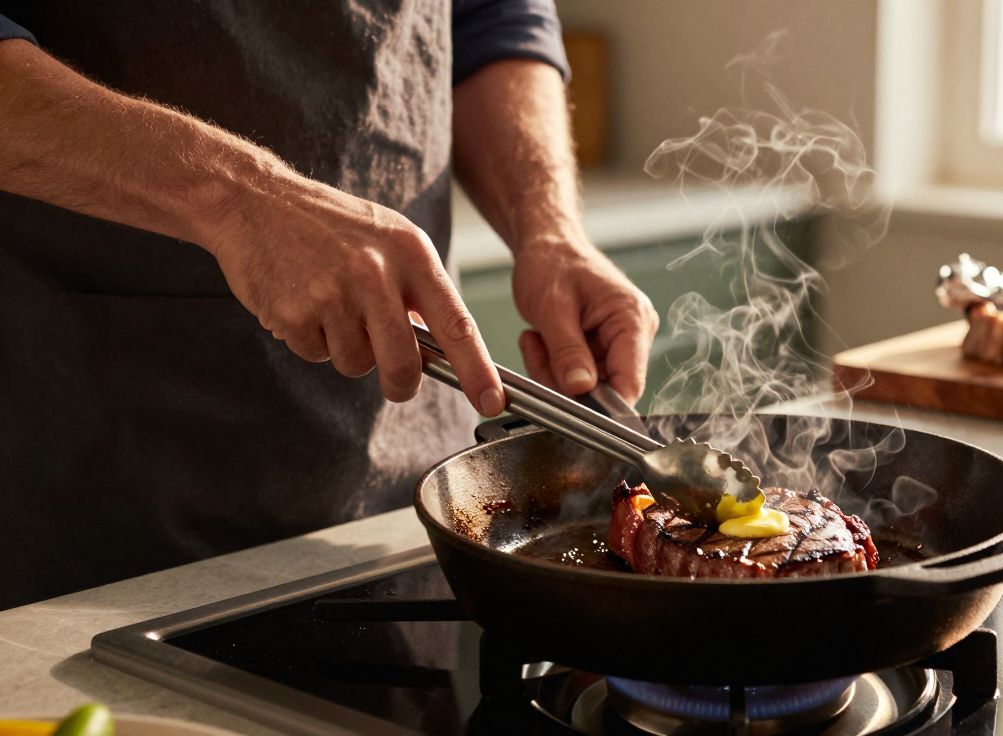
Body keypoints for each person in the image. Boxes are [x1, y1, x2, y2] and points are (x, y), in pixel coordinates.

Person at [0, 2, 658, 610]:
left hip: (410, 491)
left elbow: (492, 14)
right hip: (98, 474)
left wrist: (548, 228)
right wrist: (237, 198)